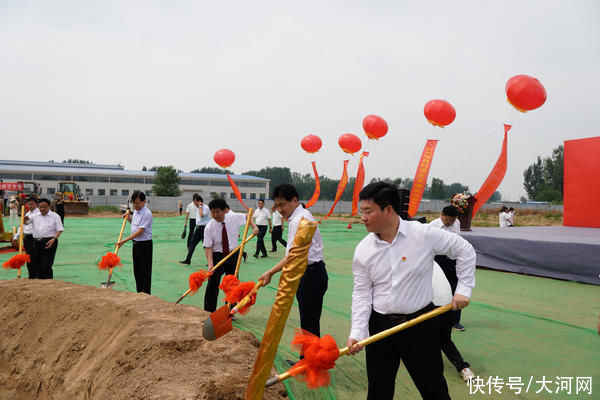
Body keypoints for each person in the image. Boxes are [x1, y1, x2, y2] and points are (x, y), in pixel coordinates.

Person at [346, 182, 476, 400]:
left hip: (419, 324)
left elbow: (465, 250)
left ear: (388, 210)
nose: (363, 218)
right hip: (380, 328)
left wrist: (463, 289)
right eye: (362, 212)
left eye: (368, 211)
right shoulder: (363, 250)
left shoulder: (423, 234)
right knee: (379, 391)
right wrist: (358, 332)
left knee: (434, 389)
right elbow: (361, 293)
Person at [259, 184, 328, 338]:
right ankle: (308, 359)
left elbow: (293, 256)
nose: (280, 209)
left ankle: (310, 360)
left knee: (309, 322)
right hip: (308, 273)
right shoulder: (299, 216)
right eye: (277, 206)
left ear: (294, 200)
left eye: (282, 204)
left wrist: (271, 272)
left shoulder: (300, 220)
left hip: (311, 275)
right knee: (309, 321)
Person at [430, 205, 475, 380]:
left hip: (442, 296)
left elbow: (465, 249)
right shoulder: (431, 229)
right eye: (448, 219)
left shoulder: (459, 244)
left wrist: (463, 289)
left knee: (443, 338)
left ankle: (462, 367)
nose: (451, 222)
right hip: (421, 305)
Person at [203, 198, 258, 312]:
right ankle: (209, 310)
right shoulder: (209, 227)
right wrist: (210, 264)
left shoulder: (233, 217)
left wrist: (254, 227)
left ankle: (230, 310)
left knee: (232, 283)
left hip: (233, 254)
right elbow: (208, 247)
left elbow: (248, 216)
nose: (215, 214)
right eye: (212, 212)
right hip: (217, 256)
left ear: (225, 211)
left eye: (217, 211)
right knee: (213, 283)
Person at [430, 205, 466, 330]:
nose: (451, 223)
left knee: (456, 289)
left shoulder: (457, 223)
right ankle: (436, 319)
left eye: (453, 220)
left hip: (453, 259)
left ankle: (455, 321)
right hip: (438, 260)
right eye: (449, 220)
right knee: (438, 290)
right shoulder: (432, 226)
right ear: (442, 215)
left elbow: (459, 240)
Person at [117, 191, 153, 294]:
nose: (135, 206)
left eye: (137, 203)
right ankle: (139, 293)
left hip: (145, 246)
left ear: (144, 202)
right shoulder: (136, 211)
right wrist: (128, 218)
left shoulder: (147, 214)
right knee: (137, 271)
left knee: (145, 272)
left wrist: (124, 240)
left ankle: (146, 294)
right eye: (133, 203)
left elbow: (140, 232)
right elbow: (134, 224)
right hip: (136, 244)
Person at [24, 198, 64, 279]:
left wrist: (54, 239)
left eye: (45, 207)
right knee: (37, 262)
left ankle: (48, 281)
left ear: (49, 207)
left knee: (46, 264)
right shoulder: (34, 216)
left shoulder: (55, 216)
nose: (43, 209)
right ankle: (39, 280)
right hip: (36, 242)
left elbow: (59, 229)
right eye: (41, 207)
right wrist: (24, 220)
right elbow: (26, 222)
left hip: (49, 241)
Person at [12, 196, 40, 278]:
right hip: (27, 238)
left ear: (36, 204)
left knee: (34, 257)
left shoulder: (38, 214)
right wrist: (15, 237)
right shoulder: (27, 213)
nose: (30, 206)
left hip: (34, 238)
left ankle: (36, 275)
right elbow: (22, 227)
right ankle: (31, 275)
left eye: (32, 204)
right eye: (29, 204)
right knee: (28, 257)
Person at [180, 195, 210, 265]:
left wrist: (199, 207)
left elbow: (202, 215)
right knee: (192, 243)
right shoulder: (198, 208)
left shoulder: (205, 208)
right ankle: (188, 260)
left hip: (204, 229)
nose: (194, 204)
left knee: (206, 246)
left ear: (199, 202)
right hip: (198, 228)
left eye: (195, 202)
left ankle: (211, 262)